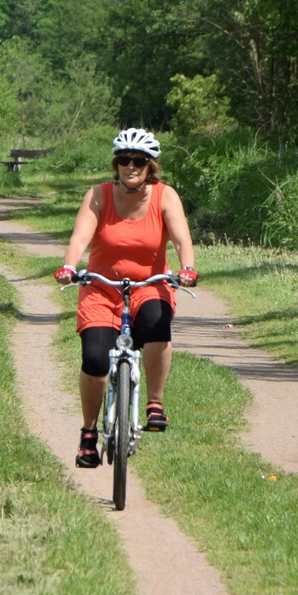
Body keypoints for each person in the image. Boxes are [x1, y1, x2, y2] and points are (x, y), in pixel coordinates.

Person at [53, 128, 198, 468]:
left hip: (149, 285)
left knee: (157, 324)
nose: (130, 166)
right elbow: (79, 239)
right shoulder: (99, 195)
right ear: (115, 164)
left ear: (151, 167)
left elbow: (181, 240)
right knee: (94, 360)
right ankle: (89, 434)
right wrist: (69, 266)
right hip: (102, 288)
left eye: (138, 161)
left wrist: (187, 267)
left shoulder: (165, 196)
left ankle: (155, 402)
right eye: (123, 160)